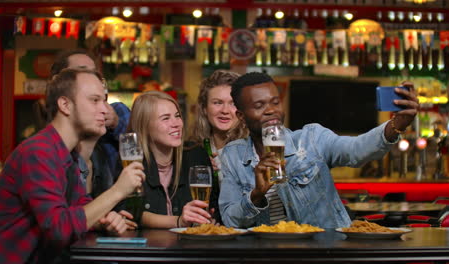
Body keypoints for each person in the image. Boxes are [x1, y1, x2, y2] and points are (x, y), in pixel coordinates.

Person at [219, 72, 419, 229]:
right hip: (265, 255)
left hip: (320, 252)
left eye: (275, 102)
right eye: (259, 105)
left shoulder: (312, 139)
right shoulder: (233, 156)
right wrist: (256, 195)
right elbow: (230, 220)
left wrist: (395, 126)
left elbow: (355, 150)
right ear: (242, 116)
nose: (271, 110)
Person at [0, 69, 145, 264]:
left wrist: (103, 220)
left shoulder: (65, 153)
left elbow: (80, 207)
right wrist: (118, 191)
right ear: (65, 105)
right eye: (95, 100)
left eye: (104, 101)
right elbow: (59, 229)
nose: (105, 109)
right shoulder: (38, 152)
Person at [124, 91, 213, 228]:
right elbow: (131, 212)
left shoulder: (196, 155)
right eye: (165, 118)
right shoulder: (132, 162)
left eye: (177, 116)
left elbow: (212, 205)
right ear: (145, 126)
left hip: (190, 245)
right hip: (148, 247)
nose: (176, 123)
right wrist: (179, 221)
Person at [49, 49, 131, 173]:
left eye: (94, 72)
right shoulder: (47, 148)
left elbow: (145, 148)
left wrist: (116, 123)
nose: (92, 77)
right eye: (82, 71)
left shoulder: (117, 111)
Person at [188, 70, 248, 184]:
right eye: (217, 103)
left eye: (233, 103)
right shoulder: (193, 152)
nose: (225, 110)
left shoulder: (254, 149)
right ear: (204, 108)